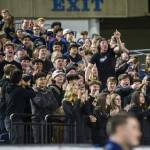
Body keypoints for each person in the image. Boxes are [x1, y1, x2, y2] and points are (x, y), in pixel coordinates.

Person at [31, 72, 59, 144]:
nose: (43, 81)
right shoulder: (34, 91)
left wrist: (48, 100)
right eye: (41, 79)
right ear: (36, 81)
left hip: (49, 119)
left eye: (44, 79)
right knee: (39, 142)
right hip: (38, 121)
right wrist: (48, 98)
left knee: (48, 142)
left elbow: (55, 105)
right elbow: (41, 103)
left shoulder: (49, 91)